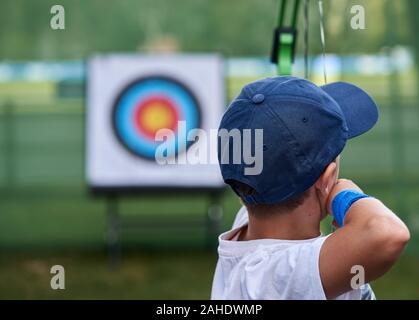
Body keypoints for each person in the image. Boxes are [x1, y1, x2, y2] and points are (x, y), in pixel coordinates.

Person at [211, 76, 410, 300]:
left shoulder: (250, 223)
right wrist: (344, 196)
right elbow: (388, 234)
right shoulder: (275, 276)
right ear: (327, 179)